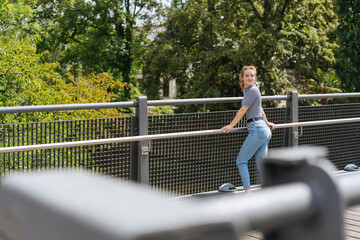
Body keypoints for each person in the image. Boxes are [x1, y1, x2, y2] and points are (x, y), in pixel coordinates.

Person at [221, 65, 276, 194]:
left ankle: (248, 192)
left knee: (241, 161)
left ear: (255, 77)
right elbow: (259, 108)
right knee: (261, 165)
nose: (250, 77)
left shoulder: (252, 90)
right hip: (264, 130)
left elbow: (243, 110)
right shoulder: (249, 90)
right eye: (247, 75)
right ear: (242, 78)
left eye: (252, 75)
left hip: (257, 129)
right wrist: (267, 123)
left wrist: (231, 125)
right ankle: (271, 189)